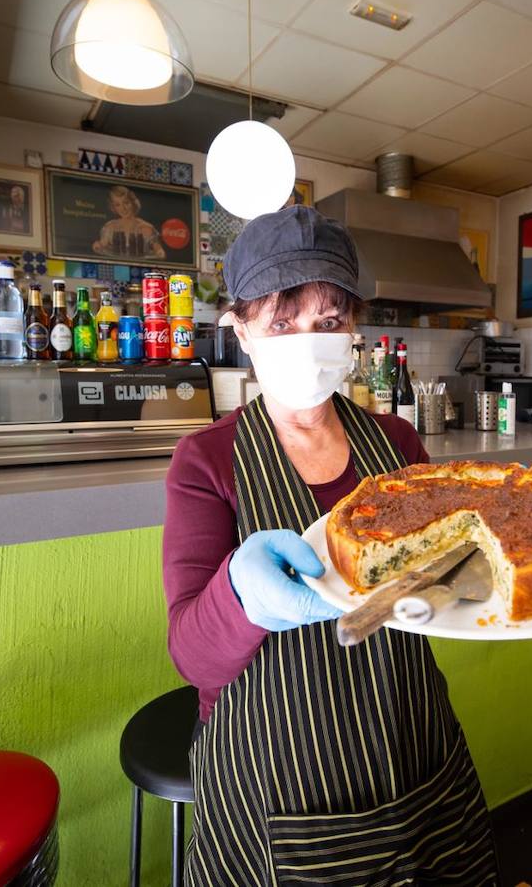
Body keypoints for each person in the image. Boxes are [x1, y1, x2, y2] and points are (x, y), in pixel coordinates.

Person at [163, 206, 497, 885]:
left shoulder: (398, 445)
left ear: (354, 332)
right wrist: (238, 592)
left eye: (327, 322)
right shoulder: (206, 462)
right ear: (241, 331)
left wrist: (471, 567)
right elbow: (193, 656)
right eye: (281, 323)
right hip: (279, 774)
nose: (307, 343)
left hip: (412, 743)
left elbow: (451, 571)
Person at [93, 185, 165, 260]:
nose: (123, 208)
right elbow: (102, 244)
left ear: (133, 202)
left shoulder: (146, 228)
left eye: (126, 203)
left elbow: (157, 247)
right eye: (117, 205)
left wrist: (159, 251)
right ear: (113, 207)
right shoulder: (110, 227)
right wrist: (98, 245)